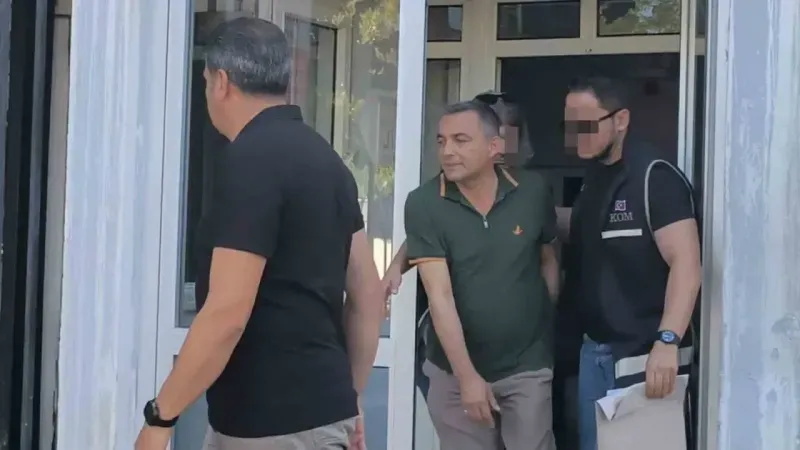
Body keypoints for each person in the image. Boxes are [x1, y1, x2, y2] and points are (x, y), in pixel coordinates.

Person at [134, 18, 385, 450]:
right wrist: (350, 397)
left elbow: (227, 312)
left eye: (206, 81)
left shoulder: (249, 161)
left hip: (267, 423)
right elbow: (368, 296)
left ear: (221, 82)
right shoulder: (326, 161)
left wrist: (161, 418)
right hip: (323, 414)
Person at [403, 100, 559, 450]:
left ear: (494, 147)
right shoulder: (424, 203)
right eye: (442, 141)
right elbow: (439, 297)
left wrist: (543, 320)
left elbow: (548, 258)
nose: (448, 151)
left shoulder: (532, 191)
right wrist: (467, 377)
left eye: (461, 140)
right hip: (453, 371)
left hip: (526, 365)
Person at [557, 77, 702, 450]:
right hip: (595, 352)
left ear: (620, 120)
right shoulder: (593, 180)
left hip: (644, 357)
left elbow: (687, 263)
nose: (577, 136)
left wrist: (667, 342)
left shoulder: (655, 177)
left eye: (586, 124)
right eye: (570, 126)